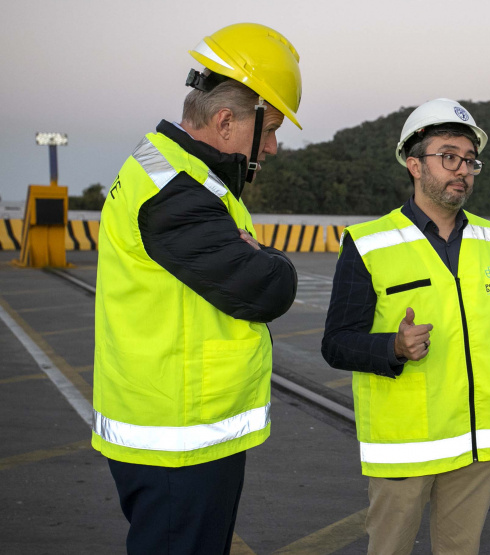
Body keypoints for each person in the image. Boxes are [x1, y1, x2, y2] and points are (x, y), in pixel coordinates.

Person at [91, 23, 302, 555]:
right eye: (270, 129)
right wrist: (274, 261)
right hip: (176, 439)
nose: (273, 147)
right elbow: (266, 290)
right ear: (227, 120)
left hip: (183, 428)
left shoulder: (178, 172)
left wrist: (257, 256)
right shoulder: (176, 192)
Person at [321, 98, 490, 555]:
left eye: (470, 160)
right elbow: (336, 344)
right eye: (448, 156)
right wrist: (392, 346)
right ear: (414, 164)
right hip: (406, 446)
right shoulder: (369, 243)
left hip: (479, 441)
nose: (463, 170)